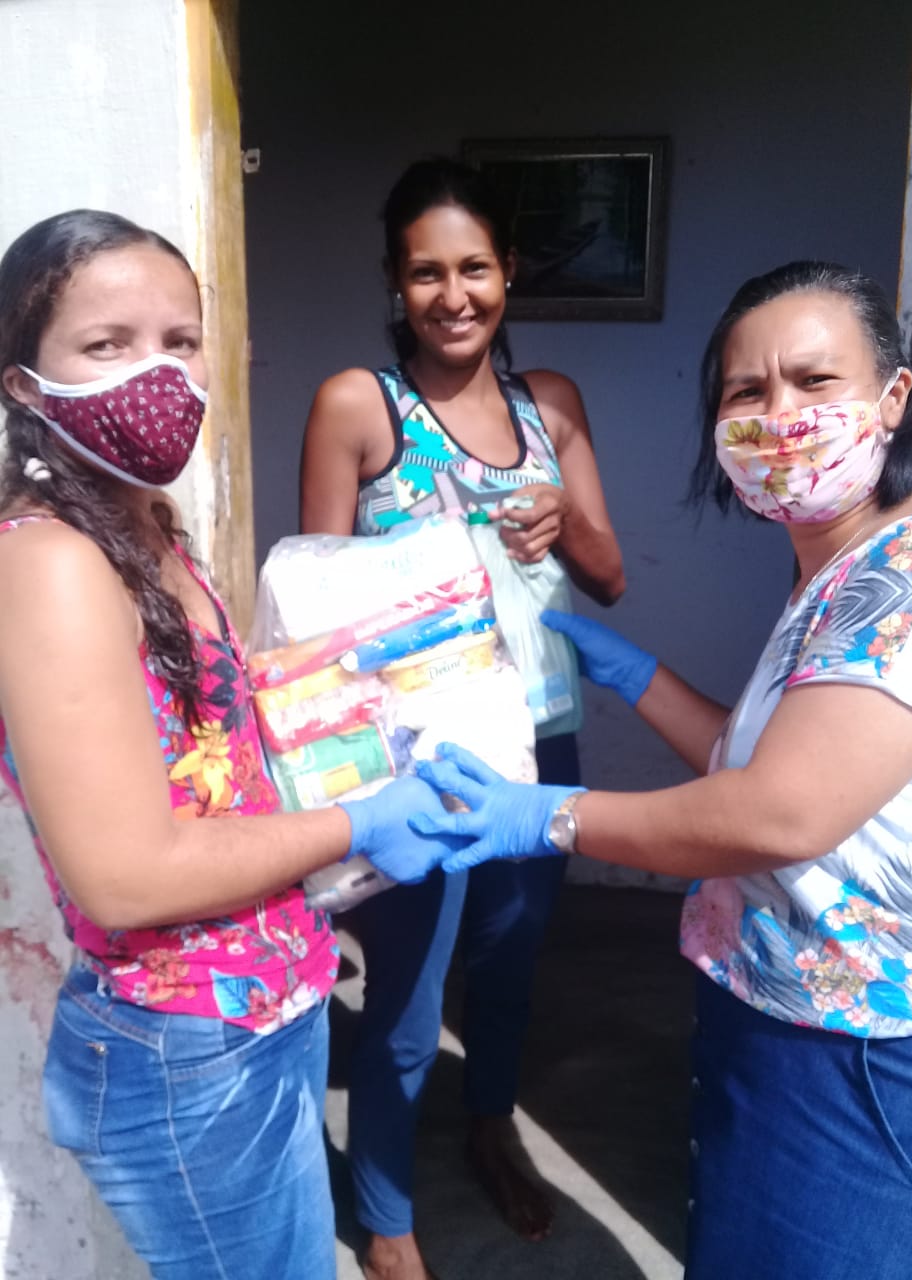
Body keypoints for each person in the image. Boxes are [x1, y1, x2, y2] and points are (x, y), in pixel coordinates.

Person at [407, 261, 912, 1280]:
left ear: (892, 398)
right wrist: (638, 674)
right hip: (779, 1015)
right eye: (747, 391)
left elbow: (779, 811)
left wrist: (553, 814)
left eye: (814, 380)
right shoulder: (836, 572)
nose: (778, 416)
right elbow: (757, 759)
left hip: (864, 1053)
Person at [0, 209, 464, 1280]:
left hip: (265, 1006)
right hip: (185, 1044)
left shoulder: (145, 526)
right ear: (24, 384)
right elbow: (124, 876)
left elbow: (202, 755)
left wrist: (347, 707)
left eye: (180, 340)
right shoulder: (51, 561)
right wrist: (360, 819)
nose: (158, 374)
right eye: (107, 344)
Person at [299, 157, 624, 1278]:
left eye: (474, 268)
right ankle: (386, 1217)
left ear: (508, 271)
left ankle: (490, 1125)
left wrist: (563, 518)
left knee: (512, 956)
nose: (453, 295)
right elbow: (312, 602)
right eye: (426, 272)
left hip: (540, 738)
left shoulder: (552, 405)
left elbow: (610, 576)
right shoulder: (359, 405)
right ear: (396, 281)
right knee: (405, 991)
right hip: (420, 757)